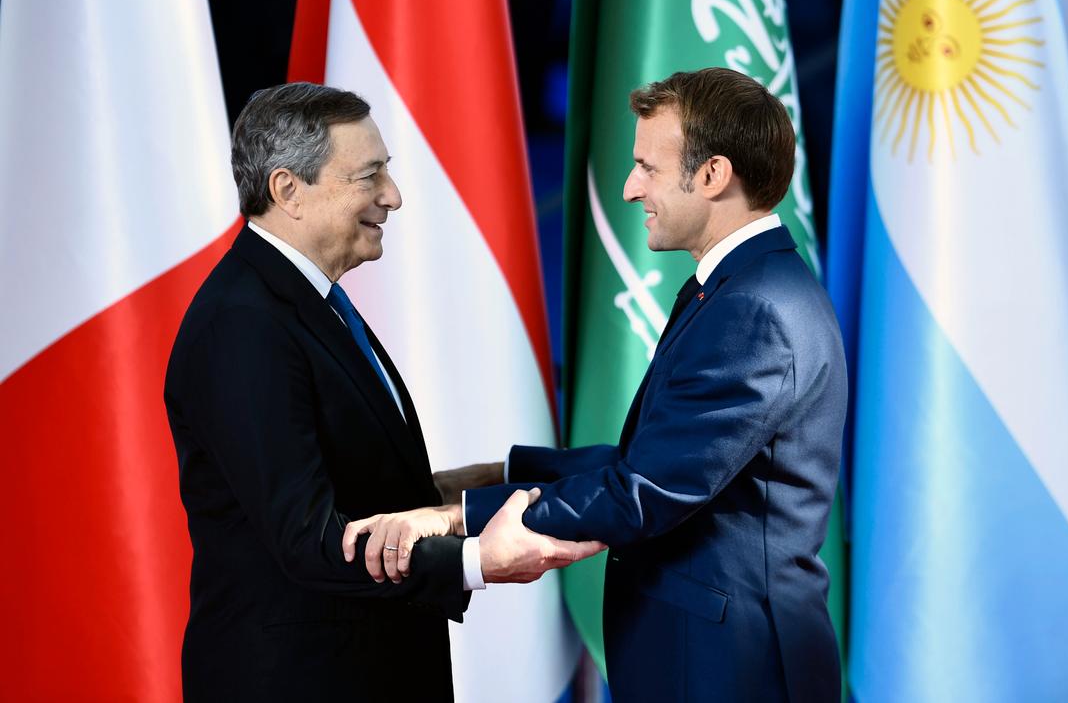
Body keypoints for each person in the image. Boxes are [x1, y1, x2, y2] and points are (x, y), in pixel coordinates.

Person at [348, 68, 847, 703]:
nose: (631, 188)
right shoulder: (745, 289)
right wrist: (499, 474)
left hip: (729, 669)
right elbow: (660, 463)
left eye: (648, 168)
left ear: (713, 175)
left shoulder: (753, 308)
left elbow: (647, 492)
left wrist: (458, 518)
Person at [164, 82, 602, 702]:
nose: (393, 196)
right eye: (369, 175)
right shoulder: (243, 324)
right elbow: (309, 540)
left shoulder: (307, 302)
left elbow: (348, 488)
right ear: (287, 190)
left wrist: (454, 491)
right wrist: (476, 559)